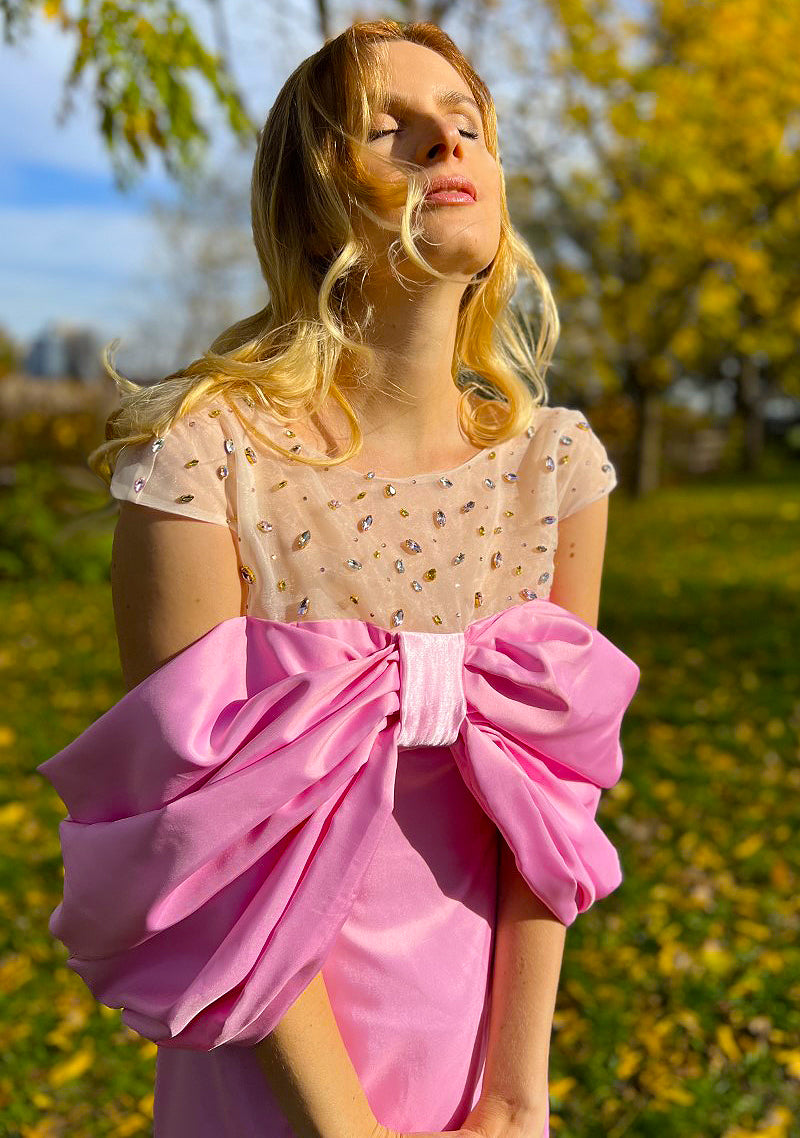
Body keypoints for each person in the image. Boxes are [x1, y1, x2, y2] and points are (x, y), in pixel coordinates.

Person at [36, 18, 640, 1138]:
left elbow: (551, 810)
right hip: (274, 1061)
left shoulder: (556, 470)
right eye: (389, 128)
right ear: (313, 193)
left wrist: (514, 1092)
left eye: (464, 127)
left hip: (474, 1047)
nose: (442, 146)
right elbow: (200, 831)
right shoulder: (202, 458)